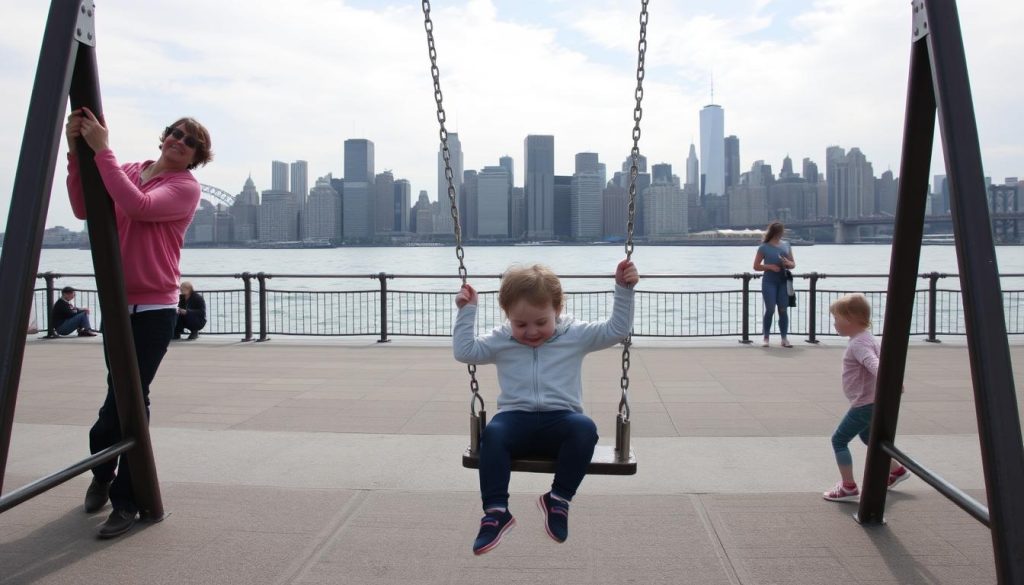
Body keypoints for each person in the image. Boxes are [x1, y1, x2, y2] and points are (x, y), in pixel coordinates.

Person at [66, 107, 212, 538]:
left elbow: (138, 206)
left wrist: (102, 151)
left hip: (154, 310)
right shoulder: (128, 168)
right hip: (116, 305)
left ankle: (124, 495)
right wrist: (77, 154)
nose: (177, 140)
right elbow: (83, 207)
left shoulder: (185, 187)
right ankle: (103, 473)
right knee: (120, 395)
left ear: (195, 157)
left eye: (189, 141)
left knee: (131, 395)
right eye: (174, 132)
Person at [453, 259, 638, 555]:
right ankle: (496, 512)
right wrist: (467, 311)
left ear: (557, 311)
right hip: (515, 420)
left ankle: (558, 500)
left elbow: (616, 330)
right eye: (520, 324)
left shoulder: (575, 335)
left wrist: (624, 290)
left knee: (585, 428)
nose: (531, 332)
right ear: (507, 316)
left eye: (541, 322)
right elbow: (465, 352)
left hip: (561, 421)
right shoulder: (502, 340)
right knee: (494, 434)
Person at [822, 293, 910, 502]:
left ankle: (848, 487)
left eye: (837, 319)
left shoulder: (858, 345)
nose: (834, 324)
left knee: (839, 440)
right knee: (868, 437)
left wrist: (892, 383)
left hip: (865, 403)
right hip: (872, 401)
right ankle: (896, 471)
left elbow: (874, 364)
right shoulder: (867, 338)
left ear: (851, 319)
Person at [753, 221, 795, 348]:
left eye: (781, 232)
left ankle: (784, 338)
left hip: (783, 282)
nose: (780, 234)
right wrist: (769, 266)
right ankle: (766, 337)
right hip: (769, 282)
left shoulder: (786, 245)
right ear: (774, 232)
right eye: (778, 232)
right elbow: (756, 266)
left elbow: (793, 265)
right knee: (770, 309)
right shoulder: (763, 247)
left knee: (783, 310)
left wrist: (787, 262)